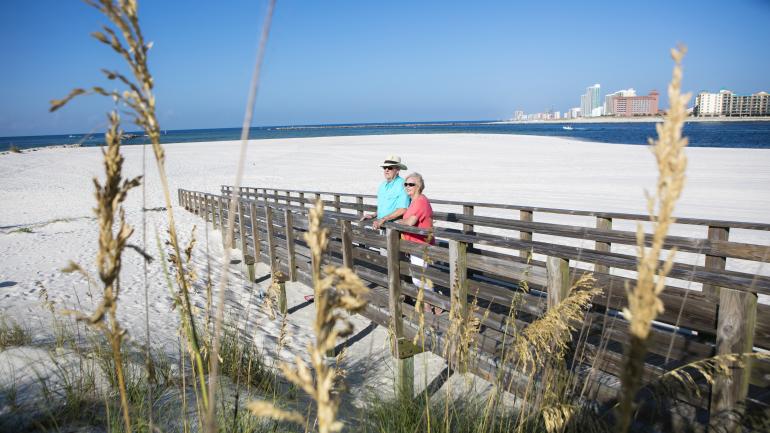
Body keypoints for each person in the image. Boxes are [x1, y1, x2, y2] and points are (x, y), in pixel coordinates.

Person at [400, 172, 441, 313]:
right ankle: (431, 305)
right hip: (414, 244)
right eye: (406, 184)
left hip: (422, 245)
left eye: (411, 184)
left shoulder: (420, 201)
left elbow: (410, 222)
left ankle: (434, 304)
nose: (407, 186)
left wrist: (400, 222)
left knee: (419, 278)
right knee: (420, 276)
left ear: (419, 186)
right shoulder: (414, 201)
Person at [360, 155, 410, 230]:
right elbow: (384, 206)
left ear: (398, 170)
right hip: (381, 224)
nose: (386, 170)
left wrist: (383, 219)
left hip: (394, 227)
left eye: (390, 168)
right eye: (384, 167)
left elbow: (402, 209)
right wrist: (374, 215)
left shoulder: (403, 185)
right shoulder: (383, 185)